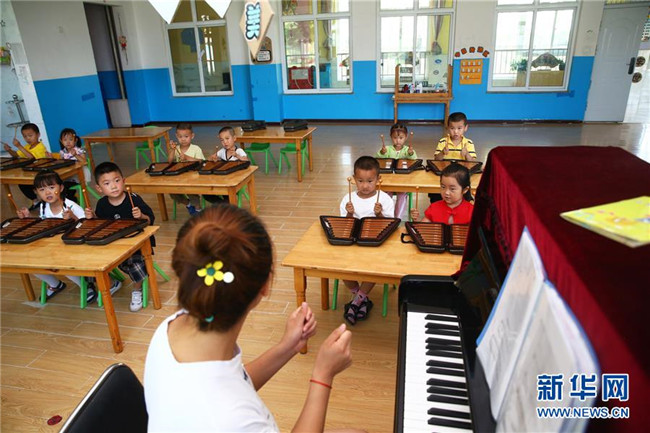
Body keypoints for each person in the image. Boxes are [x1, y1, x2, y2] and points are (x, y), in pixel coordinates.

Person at [144, 205, 359, 433]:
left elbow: (232, 381)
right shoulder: (233, 421)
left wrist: (289, 346)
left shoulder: (171, 327)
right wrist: (323, 374)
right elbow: (225, 402)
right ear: (265, 286)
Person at [15, 170, 94, 302]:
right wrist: (28, 218)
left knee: (61, 264)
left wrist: (73, 218)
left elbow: (88, 227)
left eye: (51, 187)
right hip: (53, 247)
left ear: (61, 188)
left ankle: (86, 286)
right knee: (30, 263)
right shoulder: (43, 207)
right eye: (42, 190)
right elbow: (42, 225)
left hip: (74, 247)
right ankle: (55, 284)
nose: (47, 193)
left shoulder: (71, 206)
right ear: (36, 192)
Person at [84, 162, 154, 311]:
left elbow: (150, 220)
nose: (114, 186)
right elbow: (101, 225)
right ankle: (111, 283)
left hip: (136, 246)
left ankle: (137, 290)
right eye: (107, 183)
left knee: (136, 264)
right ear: (99, 188)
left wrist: (141, 216)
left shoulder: (134, 199)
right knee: (90, 259)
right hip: (113, 245)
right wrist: (92, 218)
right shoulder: (102, 204)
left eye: (117, 181)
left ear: (123, 181)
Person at [339, 156, 394, 325]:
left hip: (374, 245)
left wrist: (379, 214)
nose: (365, 186)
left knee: (375, 267)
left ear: (378, 179)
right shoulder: (348, 199)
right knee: (340, 267)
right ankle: (362, 299)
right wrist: (349, 213)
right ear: (354, 179)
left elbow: (390, 225)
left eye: (370, 181)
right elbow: (344, 226)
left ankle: (356, 302)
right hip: (353, 245)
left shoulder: (384, 199)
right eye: (360, 181)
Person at [2, 123, 50, 207]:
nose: (28, 138)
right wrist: (9, 150)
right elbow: (16, 155)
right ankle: (36, 200)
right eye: (25, 136)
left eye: (30, 135)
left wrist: (19, 146)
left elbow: (32, 158)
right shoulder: (27, 146)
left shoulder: (40, 147)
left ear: (38, 135)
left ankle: (42, 200)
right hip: (30, 173)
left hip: (40, 174)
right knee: (21, 183)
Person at [376, 122, 416, 218]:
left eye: (401, 138)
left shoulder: (407, 150)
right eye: (395, 138)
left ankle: (397, 218)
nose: (398, 141)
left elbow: (414, 160)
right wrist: (382, 153)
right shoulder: (387, 149)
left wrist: (410, 153)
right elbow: (378, 159)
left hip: (403, 181)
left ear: (406, 137)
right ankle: (387, 217)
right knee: (386, 194)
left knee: (402, 194)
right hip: (388, 181)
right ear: (391, 137)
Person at [167, 123, 205, 216]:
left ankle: (197, 208)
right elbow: (169, 162)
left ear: (192, 136)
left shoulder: (196, 149)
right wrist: (172, 150)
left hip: (193, 178)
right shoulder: (176, 149)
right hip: (179, 178)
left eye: (186, 136)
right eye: (180, 137)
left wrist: (187, 157)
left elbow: (201, 161)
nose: (183, 139)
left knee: (191, 190)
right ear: (176, 136)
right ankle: (188, 203)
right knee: (171, 191)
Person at [59, 127, 90, 203]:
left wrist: (75, 155)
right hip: (68, 175)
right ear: (61, 141)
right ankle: (69, 201)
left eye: (70, 139)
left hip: (79, 176)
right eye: (65, 140)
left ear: (75, 140)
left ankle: (73, 202)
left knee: (65, 187)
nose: (68, 142)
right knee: (58, 185)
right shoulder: (62, 152)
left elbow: (84, 162)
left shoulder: (79, 150)